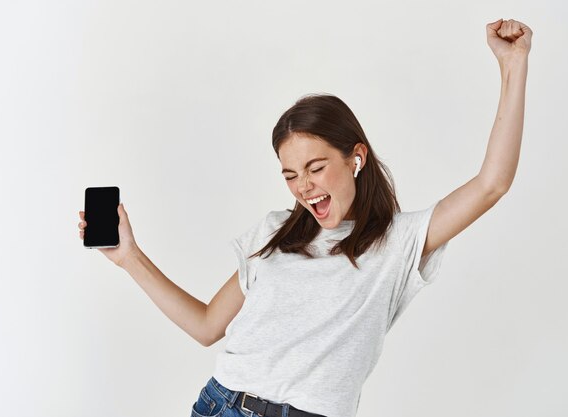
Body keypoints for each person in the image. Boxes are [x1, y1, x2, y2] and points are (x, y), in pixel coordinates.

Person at [77, 18, 532, 417]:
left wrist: (513, 67)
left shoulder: (400, 241)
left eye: (316, 168)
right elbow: (206, 327)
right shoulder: (275, 232)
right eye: (291, 175)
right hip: (222, 406)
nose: (304, 187)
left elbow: (492, 183)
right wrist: (130, 258)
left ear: (357, 157)